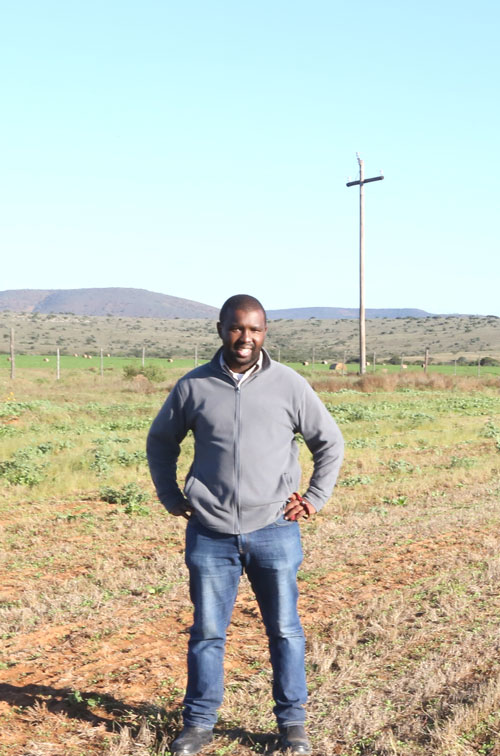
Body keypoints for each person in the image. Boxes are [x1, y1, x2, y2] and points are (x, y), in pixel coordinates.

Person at [147, 294, 344, 756]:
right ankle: (198, 726)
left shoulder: (290, 385)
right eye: (237, 328)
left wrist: (314, 498)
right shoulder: (193, 386)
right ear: (220, 329)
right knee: (207, 634)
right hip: (210, 532)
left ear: (265, 332)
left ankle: (293, 726)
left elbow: (330, 444)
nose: (245, 338)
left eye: (254, 330)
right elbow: (160, 443)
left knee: (285, 631)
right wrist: (171, 496)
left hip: (275, 528)